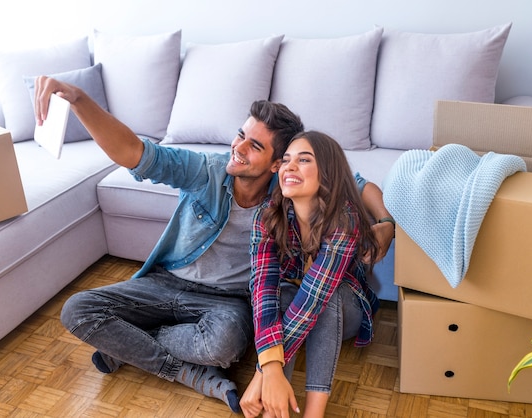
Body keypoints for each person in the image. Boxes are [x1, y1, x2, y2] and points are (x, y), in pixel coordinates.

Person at [33, 77, 395, 413]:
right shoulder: (207, 169)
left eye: (254, 147)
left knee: (222, 344)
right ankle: (193, 375)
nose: (238, 148)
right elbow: (134, 152)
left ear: (275, 164)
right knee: (77, 309)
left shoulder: (284, 194)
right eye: (240, 136)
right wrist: (78, 98)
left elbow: (356, 184)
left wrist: (384, 223)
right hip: (167, 282)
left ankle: (129, 345)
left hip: (228, 302)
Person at [240, 131, 381, 418]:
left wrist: (261, 374)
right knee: (280, 297)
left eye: (303, 160)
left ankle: (313, 414)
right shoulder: (267, 215)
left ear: (327, 173)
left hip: (344, 309)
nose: (289, 167)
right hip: (296, 303)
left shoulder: (345, 219)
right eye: (286, 160)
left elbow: (314, 298)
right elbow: (262, 288)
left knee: (322, 298)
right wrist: (270, 370)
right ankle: (274, 411)